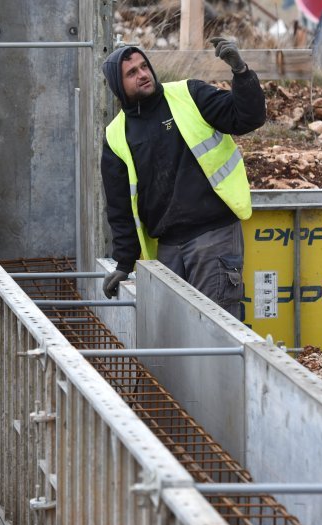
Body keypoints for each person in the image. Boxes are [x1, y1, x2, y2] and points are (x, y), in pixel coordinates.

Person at [100, 38, 266, 318]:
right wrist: (124, 263)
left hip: (213, 237)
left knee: (216, 332)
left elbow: (248, 118)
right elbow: (120, 209)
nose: (142, 74)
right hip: (167, 249)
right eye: (132, 73)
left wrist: (241, 72)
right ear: (118, 86)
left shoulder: (188, 94)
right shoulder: (116, 135)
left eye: (144, 67)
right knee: (177, 339)